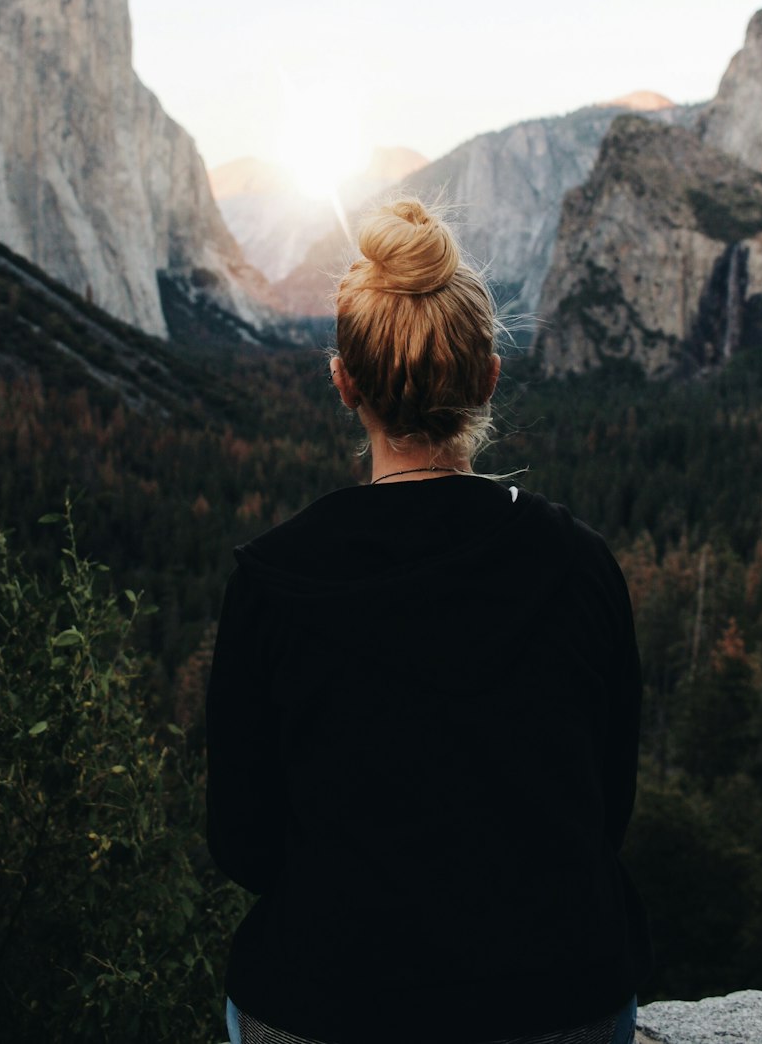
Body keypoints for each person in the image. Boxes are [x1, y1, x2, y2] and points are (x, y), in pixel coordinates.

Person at [206, 197, 652, 1044]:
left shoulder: (270, 580)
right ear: (487, 374)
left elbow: (244, 846)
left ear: (343, 382)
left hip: (329, 1004)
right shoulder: (582, 562)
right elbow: (608, 813)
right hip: (562, 1003)